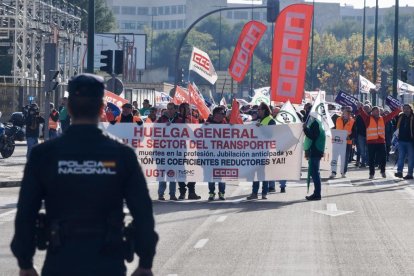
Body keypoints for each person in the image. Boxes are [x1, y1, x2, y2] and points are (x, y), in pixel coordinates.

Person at [10, 73, 158, 276]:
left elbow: (26, 214)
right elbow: (143, 213)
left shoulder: (43, 155)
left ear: (68, 108)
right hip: (108, 263)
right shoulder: (122, 155)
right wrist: (145, 263)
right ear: (101, 109)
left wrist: (25, 263)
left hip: (60, 263)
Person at [358, 103, 400, 179]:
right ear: (372, 112)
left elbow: (391, 115)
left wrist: (398, 110)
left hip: (381, 142)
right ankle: (371, 174)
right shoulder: (367, 119)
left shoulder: (383, 119)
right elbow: (362, 113)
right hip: (371, 142)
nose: (377, 112)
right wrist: (360, 108)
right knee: (371, 158)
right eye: (375, 111)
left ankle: (382, 171)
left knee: (383, 157)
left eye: (378, 111)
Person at [247, 102, 275, 200]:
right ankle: (254, 193)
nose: (257, 111)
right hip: (256, 150)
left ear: (264, 110)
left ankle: (264, 193)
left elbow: (270, 135)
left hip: (264, 150)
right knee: (255, 172)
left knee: (262, 172)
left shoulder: (270, 120)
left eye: (259, 109)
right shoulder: (259, 120)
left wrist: (261, 127)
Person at [176, 102, 201, 200]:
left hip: (192, 148)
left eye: (187, 108)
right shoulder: (176, 120)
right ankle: (182, 191)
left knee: (193, 169)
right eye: (183, 108)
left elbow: (198, 131)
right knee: (180, 170)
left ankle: (192, 191)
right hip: (179, 148)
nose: (186, 110)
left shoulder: (193, 119)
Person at [157, 103, 179, 200]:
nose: (169, 110)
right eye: (168, 108)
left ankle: (172, 194)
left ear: (175, 109)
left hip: (174, 151)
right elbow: (154, 130)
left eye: (171, 109)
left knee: (172, 174)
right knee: (162, 174)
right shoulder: (161, 119)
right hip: (162, 151)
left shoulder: (179, 119)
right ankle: (161, 194)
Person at [205, 106, 227, 201]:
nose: (223, 115)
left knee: (221, 176)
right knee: (211, 176)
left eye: (224, 114)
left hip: (222, 155)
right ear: (216, 114)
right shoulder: (207, 124)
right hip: (210, 154)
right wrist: (204, 127)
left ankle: (221, 193)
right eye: (222, 113)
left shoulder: (225, 123)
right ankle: (211, 193)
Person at [303, 111, 326, 201]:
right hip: (316, 150)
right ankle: (316, 193)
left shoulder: (315, 124)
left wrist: (305, 129)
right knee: (315, 173)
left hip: (315, 151)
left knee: (315, 173)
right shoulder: (318, 123)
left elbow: (312, 136)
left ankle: (317, 194)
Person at [330, 107, 355, 178]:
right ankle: (333, 172)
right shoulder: (337, 119)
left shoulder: (353, 121)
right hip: (337, 142)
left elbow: (355, 132)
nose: (348, 113)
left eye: (349, 112)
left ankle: (343, 172)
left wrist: (350, 137)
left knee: (345, 158)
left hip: (347, 142)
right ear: (343, 112)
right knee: (335, 157)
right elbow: (333, 129)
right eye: (347, 111)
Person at [395, 104, 414, 179]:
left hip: (410, 141)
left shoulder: (413, 117)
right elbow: (396, 127)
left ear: (410, 109)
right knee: (401, 157)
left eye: (407, 108)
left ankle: (410, 174)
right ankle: (399, 172)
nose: (405, 110)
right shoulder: (400, 116)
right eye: (404, 108)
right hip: (401, 140)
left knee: (411, 158)